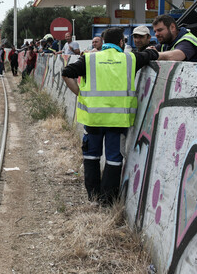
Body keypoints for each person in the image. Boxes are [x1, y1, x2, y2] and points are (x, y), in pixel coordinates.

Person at [61, 27, 159, 205]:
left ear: (104, 42)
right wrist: (151, 51)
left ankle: (93, 197)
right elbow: (150, 56)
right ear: (122, 42)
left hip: (93, 120)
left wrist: (81, 94)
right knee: (114, 159)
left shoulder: (89, 58)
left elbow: (66, 73)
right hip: (117, 120)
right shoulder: (130, 59)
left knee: (91, 156)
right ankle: (107, 200)